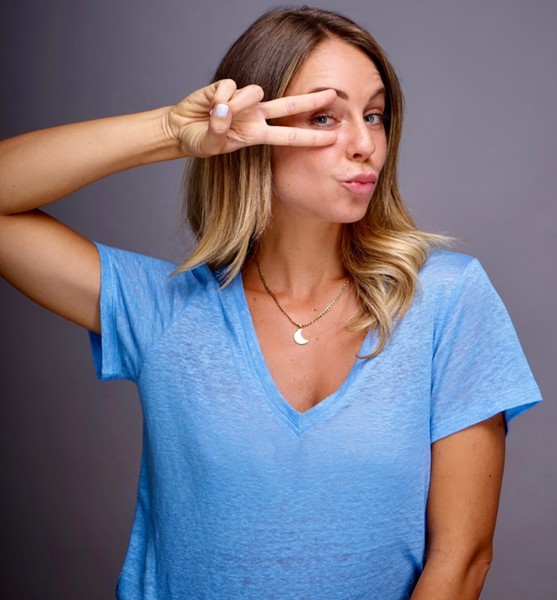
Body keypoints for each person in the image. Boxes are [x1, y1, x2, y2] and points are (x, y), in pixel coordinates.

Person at [0, 6, 542, 600]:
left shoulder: (446, 300)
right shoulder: (164, 310)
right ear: (253, 132)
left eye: (374, 115)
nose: (365, 144)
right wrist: (175, 132)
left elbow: (461, 561)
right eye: (324, 117)